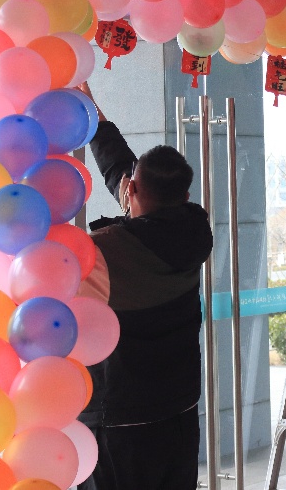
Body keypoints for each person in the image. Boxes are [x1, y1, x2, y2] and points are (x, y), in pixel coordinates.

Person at [75, 83, 214, 490]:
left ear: (133, 191)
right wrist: (94, 116)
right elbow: (121, 167)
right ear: (184, 194)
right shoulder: (193, 230)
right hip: (179, 413)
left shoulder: (103, 253)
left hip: (121, 422)